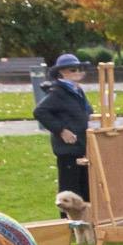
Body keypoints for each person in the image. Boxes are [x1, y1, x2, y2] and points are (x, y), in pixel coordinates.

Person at [32, 53, 93, 204]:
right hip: (68, 150)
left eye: (79, 69)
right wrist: (61, 130)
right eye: (73, 70)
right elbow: (40, 111)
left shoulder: (76, 90)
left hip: (82, 147)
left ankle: (85, 222)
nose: (78, 72)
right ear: (62, 72)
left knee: (85, 190)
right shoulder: (58, 91)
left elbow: (86, 111)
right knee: (69, 191)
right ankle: (68, 224)